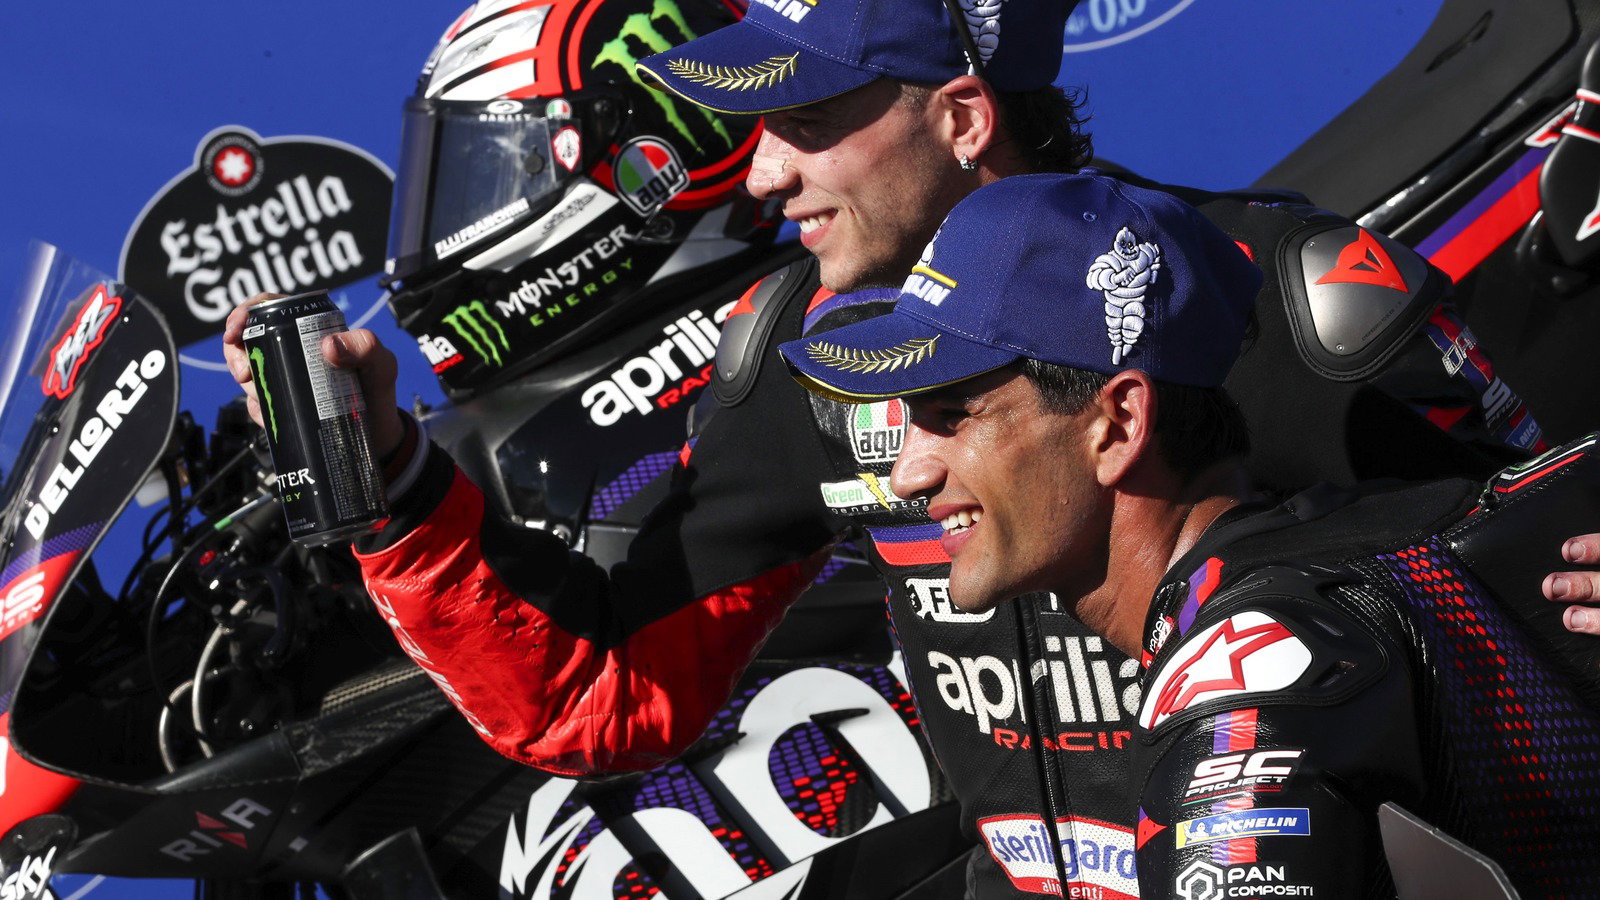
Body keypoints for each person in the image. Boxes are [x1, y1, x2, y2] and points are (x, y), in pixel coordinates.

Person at [222, 0, 1598, 893]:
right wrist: (391, 478)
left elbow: (1548, 572)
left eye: (809, 123)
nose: (763, 172)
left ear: (962, 116)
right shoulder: (804, 359)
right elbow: (601, 693)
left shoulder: (1278, 306)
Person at [780, 171, 1600, 897]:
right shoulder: (1426, 530)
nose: (908, 473)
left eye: (953, 416)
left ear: (1118, 425)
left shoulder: (1241, 677)